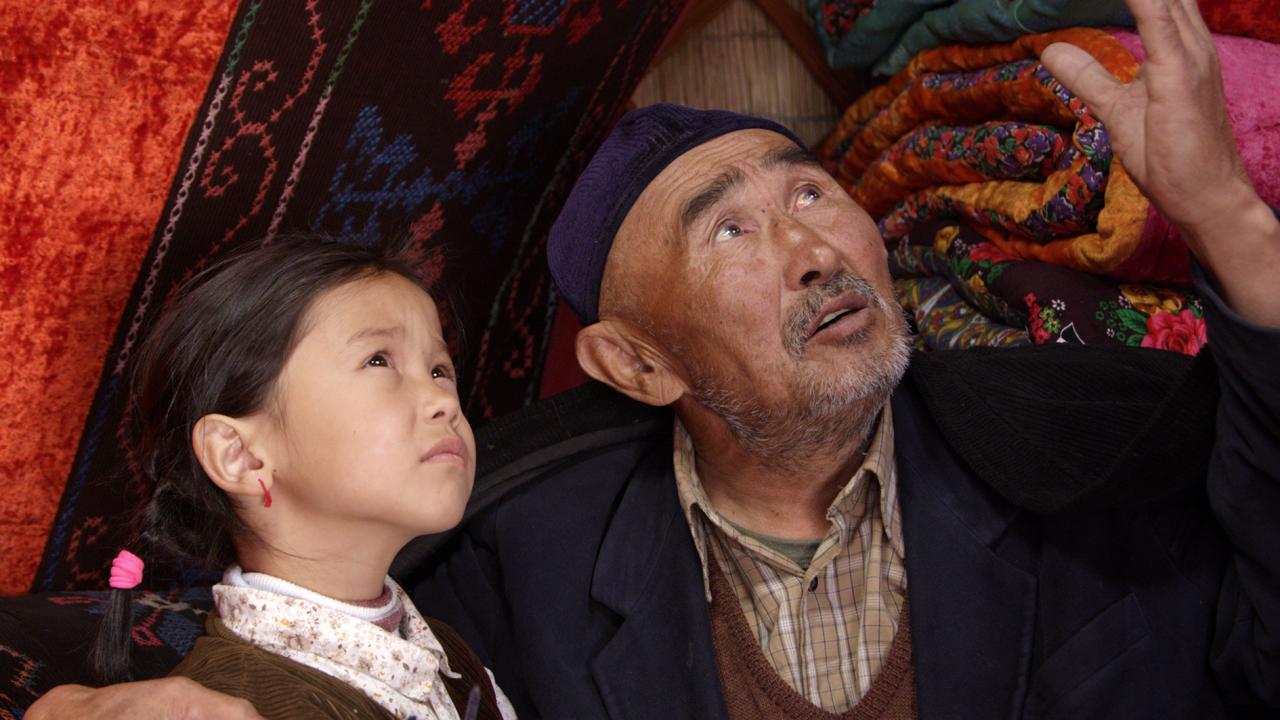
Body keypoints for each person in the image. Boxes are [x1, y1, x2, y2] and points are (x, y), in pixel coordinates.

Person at [28, 0, 1280, 717]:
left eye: (811, 193)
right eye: (730, 229)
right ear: (631, 365)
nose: (812, 247)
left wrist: (1224, 221)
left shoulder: (1087, 453)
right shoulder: (508, 572)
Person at [80, 236, 515, 720]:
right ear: (240, 456)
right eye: (379, 360)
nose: (445, 402)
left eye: (439, 370)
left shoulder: (449, 657)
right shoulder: (246, 703)